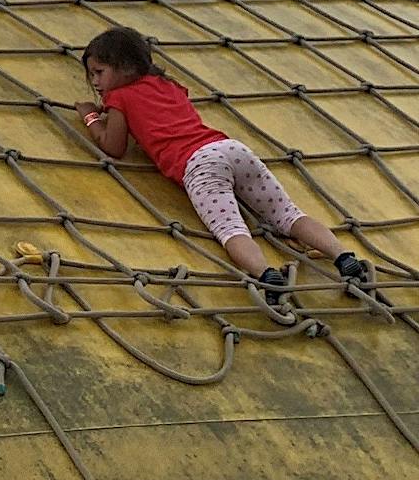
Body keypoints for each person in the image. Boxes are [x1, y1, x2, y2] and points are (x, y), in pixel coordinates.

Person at [77, 26, 372, 303]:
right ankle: (344, 257)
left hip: (199, 164)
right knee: (288, 215)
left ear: (126, 68)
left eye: (99, 73)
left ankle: (266, 276)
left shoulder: (119, 96)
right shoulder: (169, 85)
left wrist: (91, 117)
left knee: (230, 229)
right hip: (231, 148)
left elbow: (114, 147)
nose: (95, 83)